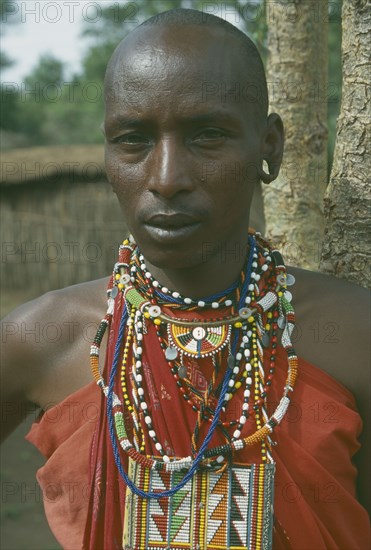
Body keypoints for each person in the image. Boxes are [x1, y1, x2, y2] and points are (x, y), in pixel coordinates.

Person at [1, 8, 369, 550]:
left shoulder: (354, 332)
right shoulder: (43, 338)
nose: (166, 178)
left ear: (269, 145)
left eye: (208, 135)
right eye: (133, 139)